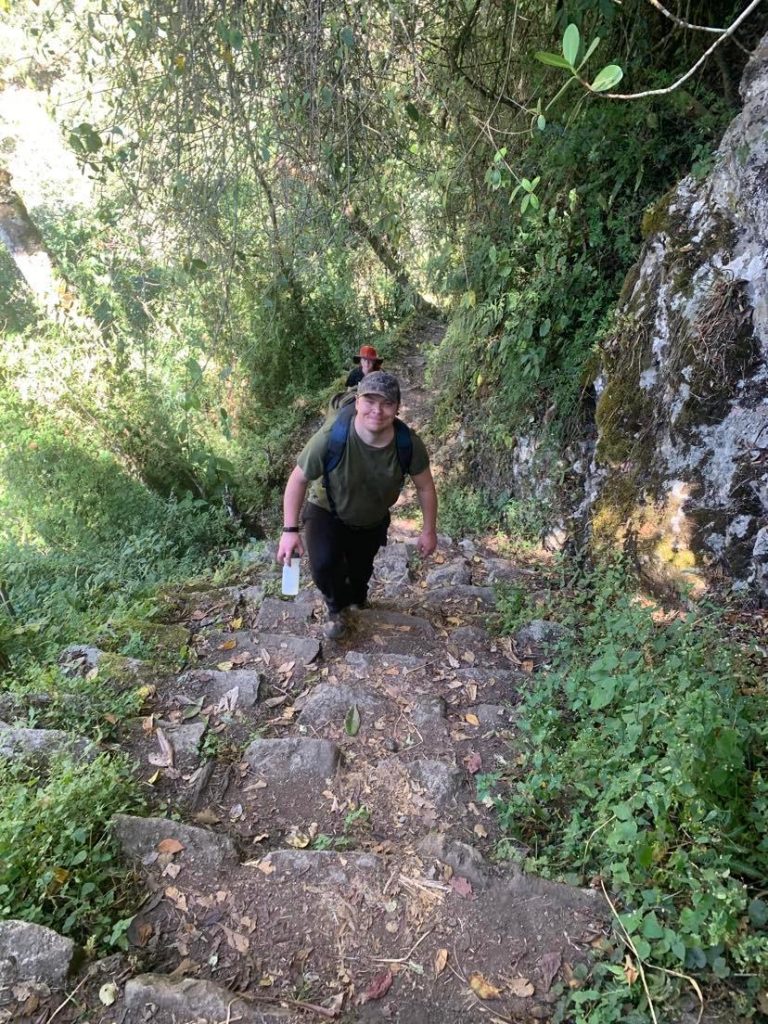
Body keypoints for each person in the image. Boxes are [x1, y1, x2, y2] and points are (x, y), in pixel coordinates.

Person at [277, 371, 438, 639]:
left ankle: (356, 601)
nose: (377, 410)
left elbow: (425, 486)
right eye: (370, 401)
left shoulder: (407, 443)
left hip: (371, 520)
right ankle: (336, 609)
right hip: (326, 510)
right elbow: (298, 479)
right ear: (358, 402)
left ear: (397, 408)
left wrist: (429, 530)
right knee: (324, 565)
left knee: (360, 572)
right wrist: (289, 531)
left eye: (386, 403)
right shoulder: (331, 437)